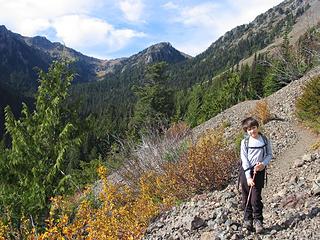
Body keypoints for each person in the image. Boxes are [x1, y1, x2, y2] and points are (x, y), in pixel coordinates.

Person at [240, 117, 272, 233]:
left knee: (256, 197)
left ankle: (258, 220)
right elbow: (244, 159)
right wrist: (248, 176)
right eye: (249, 129)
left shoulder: (265, 140)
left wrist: (263, 164)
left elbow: (269, 155)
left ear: (257, 127)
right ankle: (248, 220)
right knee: (246, 195)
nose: (252, 131)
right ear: (246, 131)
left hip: (259, 171)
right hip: (246, 171)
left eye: (253, 128)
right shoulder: (245, 142)